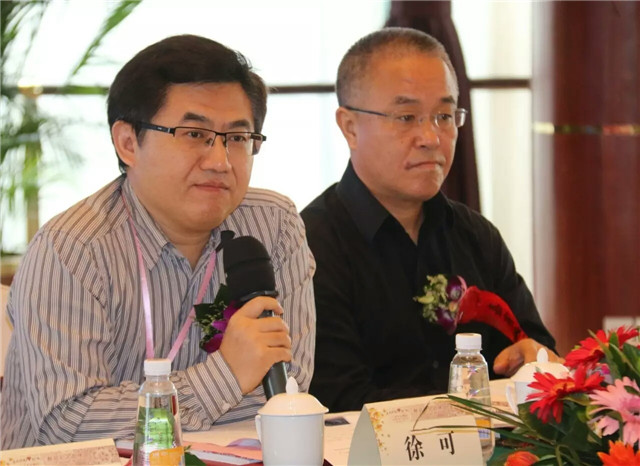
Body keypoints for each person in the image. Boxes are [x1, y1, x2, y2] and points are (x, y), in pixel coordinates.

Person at [1, 35, 315, 449]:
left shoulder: (273, 224)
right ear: (128, 143)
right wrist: (228, 376)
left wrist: (141, 409)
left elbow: (290, 387)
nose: (220, 161)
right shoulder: (71, 249)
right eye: (194, 134)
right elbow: (69, 421)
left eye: (238, 138)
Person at [301, 27, 558, 412]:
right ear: (350, 127)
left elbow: (541, 359)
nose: (431, 137)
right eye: (406, 117)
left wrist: (535, 363)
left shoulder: (475, 235)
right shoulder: (310, 247)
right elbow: (339, 404)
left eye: (443, 116)